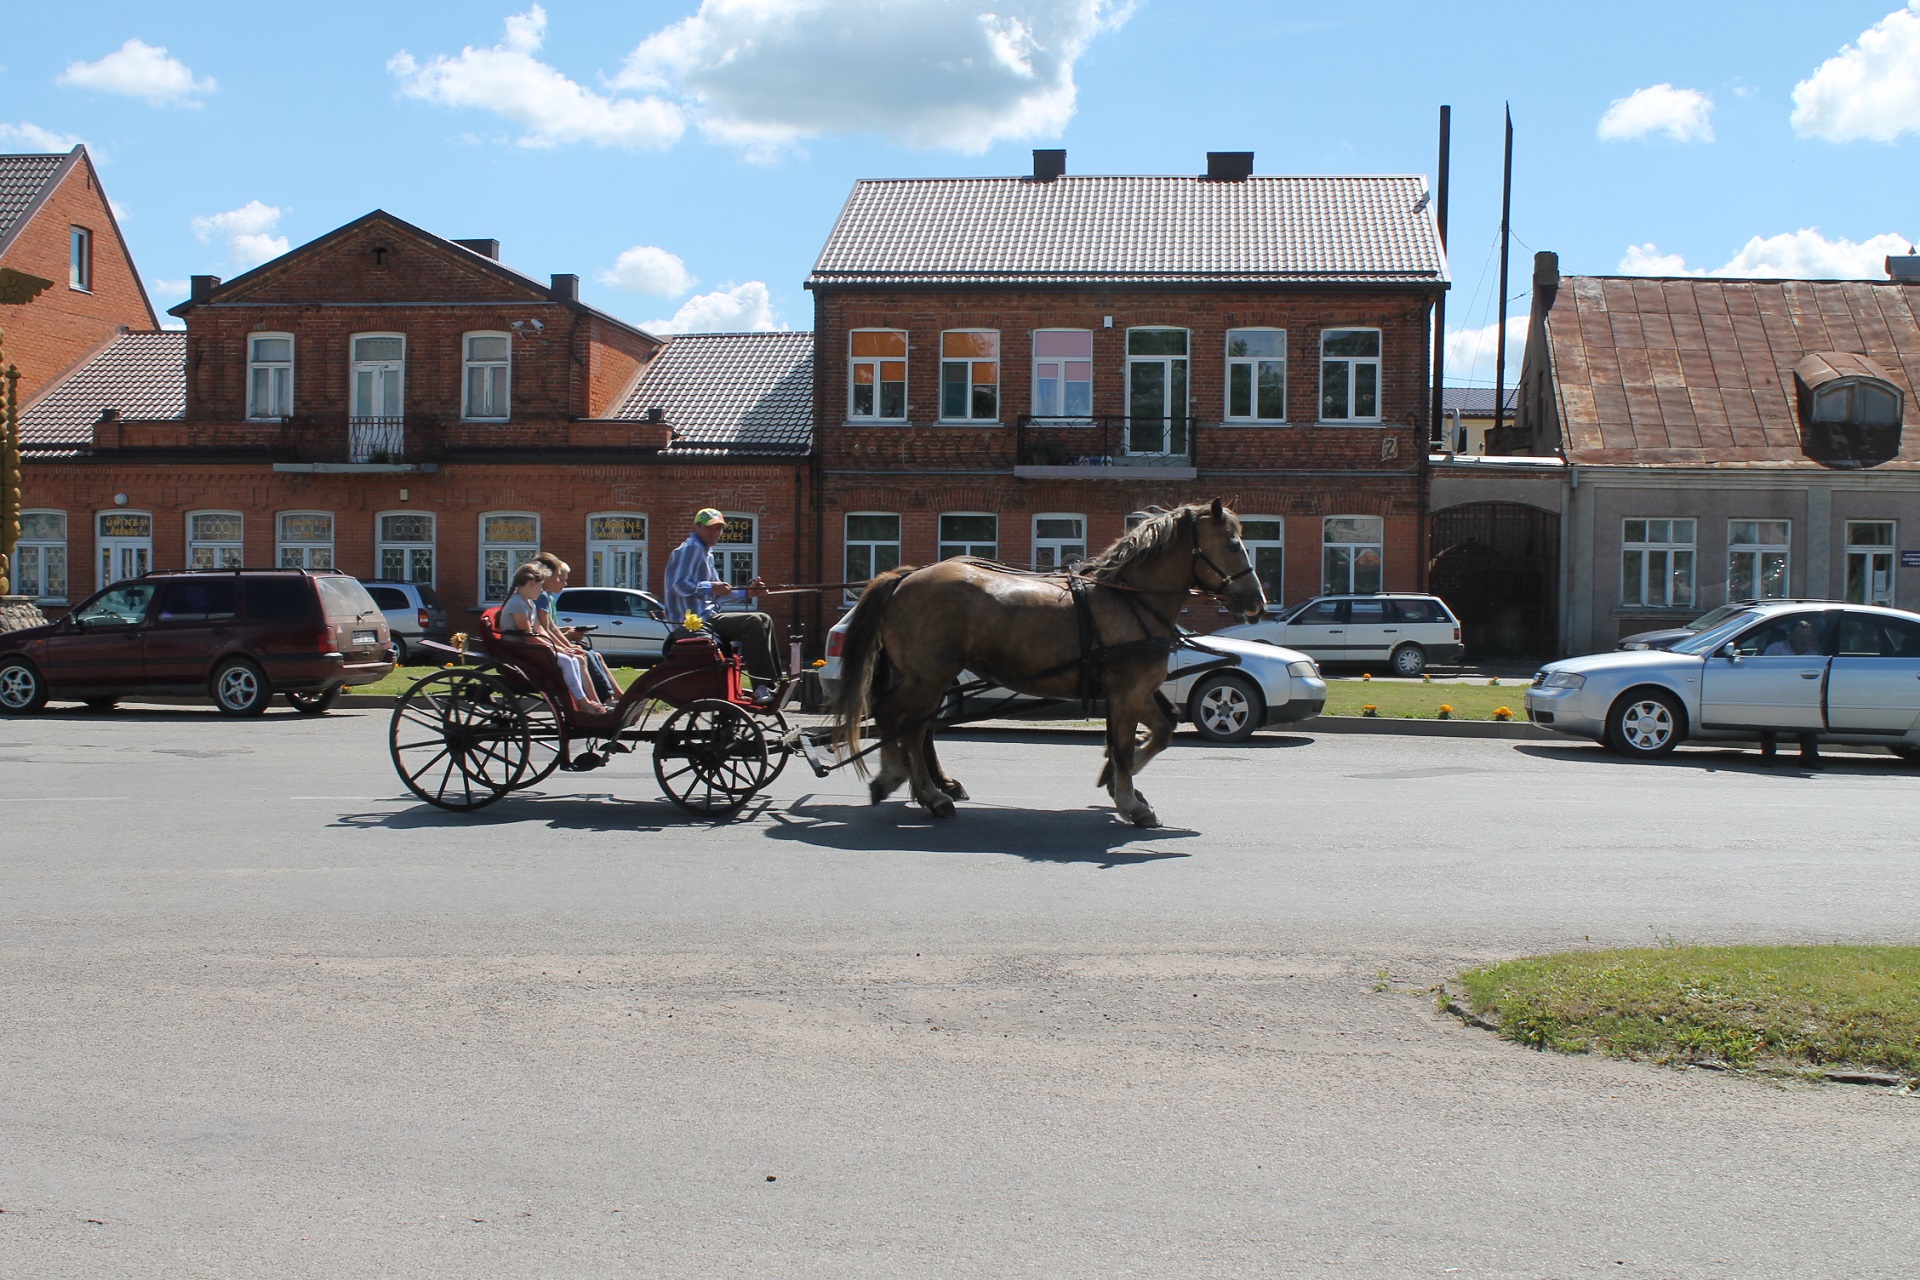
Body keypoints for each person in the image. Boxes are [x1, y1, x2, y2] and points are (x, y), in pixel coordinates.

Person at [664, 507, 782, 704]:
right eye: (710, 528)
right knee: (753, 622)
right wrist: (710, 586)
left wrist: (748, 592)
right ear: (696, 527)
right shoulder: (690, 549)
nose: (715, 532)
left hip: (707, 617)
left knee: (764, 618)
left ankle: (770, 683)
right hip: (695, 623)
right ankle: (761, 686)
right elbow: (677, 586)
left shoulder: (705, 553)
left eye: (719, 528)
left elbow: (718, 595)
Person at [499, 562, 606, 716]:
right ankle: (582, 702)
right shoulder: (517, 604)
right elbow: (529, 637)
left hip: (529, 648)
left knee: (574, 659)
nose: (541, 589)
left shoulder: (528, 603)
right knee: (568, 661)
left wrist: (562, 648)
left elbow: (539, 629)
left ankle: (583, 701)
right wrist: (558, 649)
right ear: (531, 583)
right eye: (540, 585)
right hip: (520, 652)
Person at [533, 551, 618, 702]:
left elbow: (551, 627)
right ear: (547, 575)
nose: (561, 581)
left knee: (589, 655)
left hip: (548, 645)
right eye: (559, 577)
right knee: (582, 657)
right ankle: (601, 699)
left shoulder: (544, 596)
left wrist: (567, 645)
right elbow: (545, 630)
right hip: (541, 650)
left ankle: (610, 695)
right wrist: (566, 646)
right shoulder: (541, 596)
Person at [1756, 617, 1822, 766]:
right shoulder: (1776, 649)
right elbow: (1761, 671)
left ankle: (1809, 757)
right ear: (1791, 636)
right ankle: (1768, 755)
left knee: (1809, 719)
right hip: (1776, 693)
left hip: (1801, 696)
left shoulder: (1814, 655)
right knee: (1768, 719)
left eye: (1807, 637)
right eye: (1800, 636)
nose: (1804, 640)